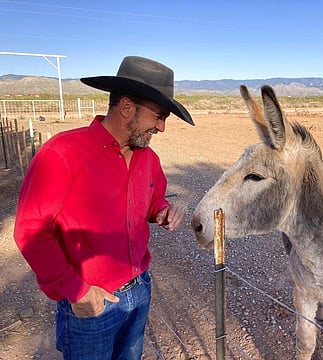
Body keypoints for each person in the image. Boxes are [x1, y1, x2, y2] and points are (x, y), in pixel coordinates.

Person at [14, 56, 195, 360]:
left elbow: (152, 200)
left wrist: (162, 210)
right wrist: (76, 290)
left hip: (140, 291)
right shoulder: (62, 153)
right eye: (159, 116)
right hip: (92, 303)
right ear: (127, 108)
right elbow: (31, 231)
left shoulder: (148, 159)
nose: (162, 127)